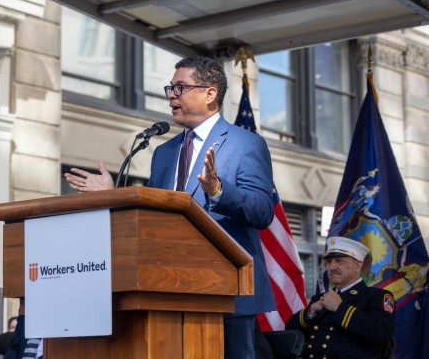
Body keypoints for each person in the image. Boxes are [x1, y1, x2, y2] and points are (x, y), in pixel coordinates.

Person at [64, 55, 276, 359]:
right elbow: (153, 217)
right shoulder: (165, 152)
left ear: (210, 93)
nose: (171, 96)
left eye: (180, 87)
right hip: (169, 291)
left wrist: (218, 189)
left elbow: (261, 211)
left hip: (226, 294)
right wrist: (114, 196)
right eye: (170, 89)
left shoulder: (246, 144)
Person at [286, 236, 396, 358]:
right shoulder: (319, 299)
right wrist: (310, 312)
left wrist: (340, 308)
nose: (331, 267)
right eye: (329, 262)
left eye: (339, 261)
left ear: (358, 266)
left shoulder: (377, 296)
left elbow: (380, 333)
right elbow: (290, 334)